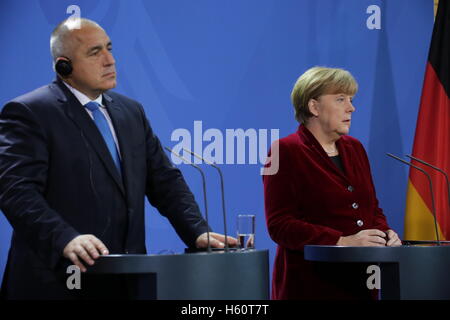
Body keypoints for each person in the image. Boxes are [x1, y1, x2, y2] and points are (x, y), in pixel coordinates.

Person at [0, 18, 236, 300]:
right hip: (58, 281)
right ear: (64, 66)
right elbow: (16, 191)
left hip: (126, 280)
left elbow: (165, 181)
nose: (110, 60)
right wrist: (65, 237)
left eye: (109, 48)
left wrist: (197, 231)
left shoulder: (130, 111)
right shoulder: (30, 112)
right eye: (94, 52)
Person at [263, 66, 401, 300]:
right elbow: (280, 225)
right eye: (340, 99)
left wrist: (384, 233)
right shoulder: (283, 150)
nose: (351, 107)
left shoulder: (355, 148)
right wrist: (341, 241)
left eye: (350, 99)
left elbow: (371, 208)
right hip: (311, 285)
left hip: (361, 283)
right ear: (314, 106)